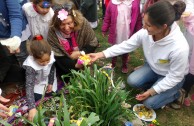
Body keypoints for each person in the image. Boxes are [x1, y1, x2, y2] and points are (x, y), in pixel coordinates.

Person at [89, 1, 188, 109]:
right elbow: (126, 45)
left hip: (170, 77)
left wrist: (151, 92)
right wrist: (101, 54)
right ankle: (157, 86)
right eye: (144, 22)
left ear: (163, 27)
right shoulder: (146, 32)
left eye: (148, 25)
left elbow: (174, 77)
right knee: (132, 81)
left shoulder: (179, 47)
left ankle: (176, 94)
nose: (144, 28)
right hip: (154, 68)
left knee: (149, 104)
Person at [47, 1, 98, 82]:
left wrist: (81, 53)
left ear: (75, 20)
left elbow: (93, 42)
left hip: (82, 57)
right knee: (68, 78)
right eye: (62, 24)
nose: (66, 28)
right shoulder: (52, 31)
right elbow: (56, 54)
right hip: (64, 63)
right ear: (56, 23)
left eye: (69, 23)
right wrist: (76, 65)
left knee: (84, 79)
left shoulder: (83, 23)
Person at [23, 35, 57, 121]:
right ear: (34, 58)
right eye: (41, 61)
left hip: (47, 80)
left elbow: (52, 69)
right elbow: (29, 85)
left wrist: (51, 82)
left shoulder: (50, 56)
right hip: (37, 82)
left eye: (47, 60)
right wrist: (32, 107)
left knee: (53, 95)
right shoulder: (31, 65)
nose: (45, 63)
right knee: (37, 99)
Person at [102, 0, 142, 73]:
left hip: (127, 30)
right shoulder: (112, 3)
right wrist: (104, 29)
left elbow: (138, 18)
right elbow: (107, 17)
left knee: (126, 47)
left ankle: (124, 63)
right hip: (116, 31)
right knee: (115, 46)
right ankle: (113, 62)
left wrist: (138, 30)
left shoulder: (134, 3)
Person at [0, 0, 27, 87]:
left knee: (22, 54)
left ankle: (29, 77)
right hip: (2, 36)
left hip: (17, 30)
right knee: (8, 58)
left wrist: (15, 38)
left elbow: (15, 15)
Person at [180, 0, 194, 107]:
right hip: (191, 33)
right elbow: (189, 5)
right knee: (186, 58)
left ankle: (186, 92)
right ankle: (182, 90)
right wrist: (189, 14)